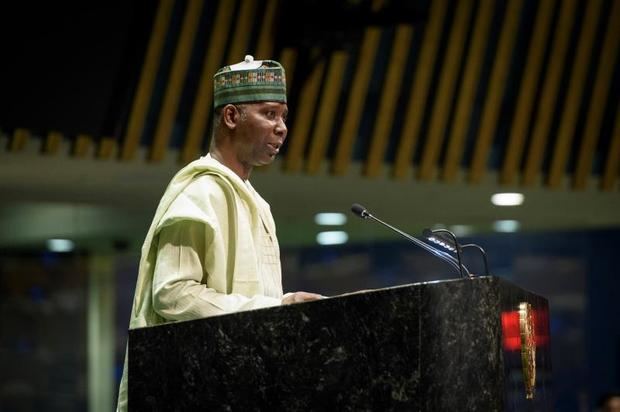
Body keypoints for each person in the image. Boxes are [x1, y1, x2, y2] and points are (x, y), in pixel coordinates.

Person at [116, 55, 323, 411]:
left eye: (284, 117)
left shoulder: (255, 202)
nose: (282, 128)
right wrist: (276, 308)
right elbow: (173, 294)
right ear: (231, 117)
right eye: (270, 114)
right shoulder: (201, 192)